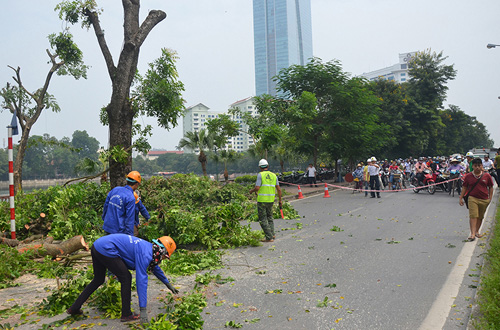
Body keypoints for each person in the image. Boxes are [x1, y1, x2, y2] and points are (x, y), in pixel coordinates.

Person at [66, 234, 179, 323]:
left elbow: (155, 268)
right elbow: (141, 281)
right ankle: (126, 314)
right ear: (161, 251)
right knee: (126, 277)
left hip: (97, 246)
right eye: (165, 257)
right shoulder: (146, 254)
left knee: (98, 279)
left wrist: (168, 284)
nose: (163, 259)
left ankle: (74, 308)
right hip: (106, 248)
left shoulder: (149, 248)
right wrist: (143, 310)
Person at [459, 158, 494, 241]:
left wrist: (490, 198)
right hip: (472, 198)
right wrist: (461, 198)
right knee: (473, 216)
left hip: (484, 199)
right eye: (475, 166)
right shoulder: (468, 176)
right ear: (472, 167)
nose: (477, 167)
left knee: (480, 216)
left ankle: (477, 231)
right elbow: (464, 187)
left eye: (479, 165)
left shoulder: (487, 175)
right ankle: (473, 233)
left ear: (482, 166)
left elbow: (491, 187)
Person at [249, 159, 282, 242]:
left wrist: (252, 191)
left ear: (260, 167)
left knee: (263, 219)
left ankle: (269, 237)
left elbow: (257, 187)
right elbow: (279, 189)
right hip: (271, 200)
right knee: (269, 217)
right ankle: (272, 234)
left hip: (262, 201)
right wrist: (280, 200)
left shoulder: (260, 175)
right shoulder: (274, 175)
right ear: (268, 166)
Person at [102, 171, 141, 236]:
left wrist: (105, 219)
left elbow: (106, 206)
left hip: (108, 227)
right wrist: (129, 237)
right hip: (118, 231)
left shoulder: (115, 190)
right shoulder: (130, 197)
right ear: (136, 184)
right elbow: (129, 220)